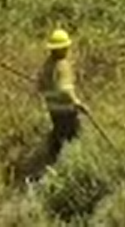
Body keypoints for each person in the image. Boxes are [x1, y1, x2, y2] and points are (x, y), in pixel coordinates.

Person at [38, 27, 88, 164]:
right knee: (74, 137)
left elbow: (39, 86)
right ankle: (71, 163)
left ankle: (51, 159)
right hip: (66, 109)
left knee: (59, 133)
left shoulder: (47, 65)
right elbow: (65, 90)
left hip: (52, 109)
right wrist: (77, 102)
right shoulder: (62, 65)